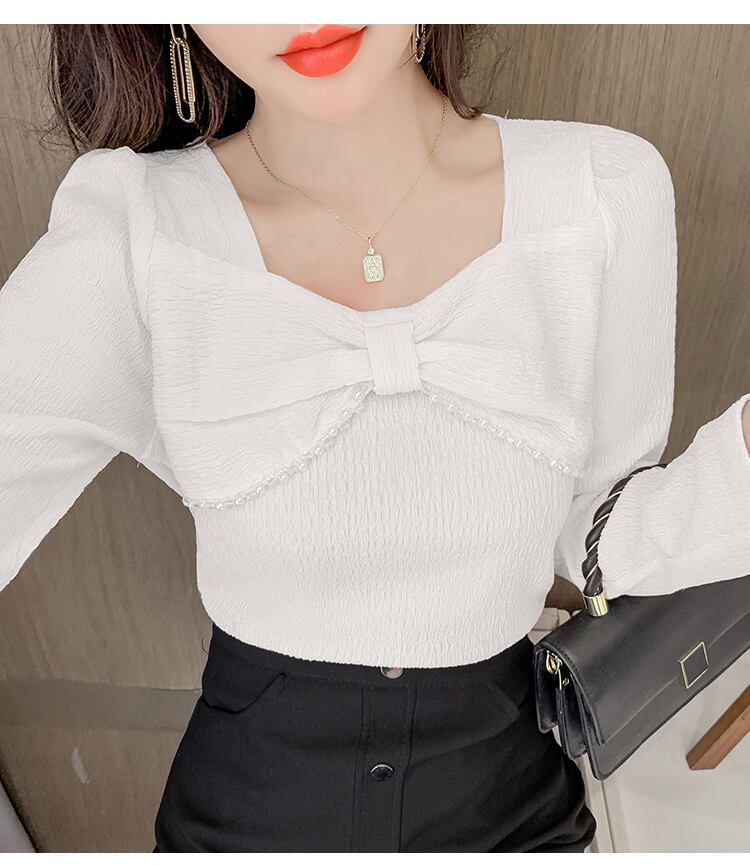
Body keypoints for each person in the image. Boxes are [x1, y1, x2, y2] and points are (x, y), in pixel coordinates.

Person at [1, 23, 749, 854]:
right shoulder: (136, 230)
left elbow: (597, 535)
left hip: (512, 805)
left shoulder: (603, 190)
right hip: (249, 812)